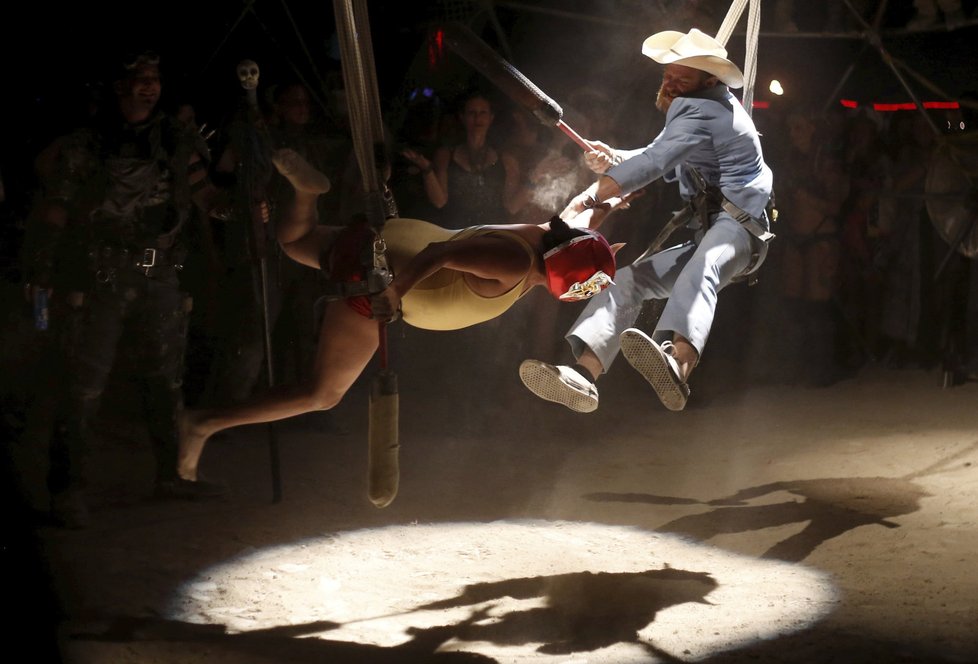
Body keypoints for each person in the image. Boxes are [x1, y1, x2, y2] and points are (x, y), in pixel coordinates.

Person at [176, 148, 624, 482]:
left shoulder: (554, 235)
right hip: (379, 277)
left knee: (297, 243)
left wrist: (619, 182)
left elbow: (585, 212)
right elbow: (441, 253)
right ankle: (203, 424)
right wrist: (394, 290)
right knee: (322, 394)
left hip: (387, 241)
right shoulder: (515, 264)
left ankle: (305, 194)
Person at [21, 51, 229, 527]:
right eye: (138, 80)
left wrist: (244, 211)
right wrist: (43, 264)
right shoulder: (88, 143)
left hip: (159, 276)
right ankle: (68, 490)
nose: (148, 87)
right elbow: (58, 204)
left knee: (165, 381)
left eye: (154, 79)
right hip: (101, 276)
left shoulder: (177, 140)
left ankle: (171, 475)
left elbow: (206, 197)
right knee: (84, 386)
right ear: (118, 87)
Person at [520, 27, 774, 413]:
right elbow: (660, 151)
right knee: (628, 281)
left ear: (707, 80)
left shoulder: (702, 110)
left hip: (740, 230)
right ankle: (585, 375)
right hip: (711, 230)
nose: (670, 84)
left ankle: (679, 363)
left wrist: (589, 196)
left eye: (680, 78)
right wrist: (616, 157)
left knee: (702, 267)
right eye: (667, 75)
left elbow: (656, 163)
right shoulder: (705, 104)